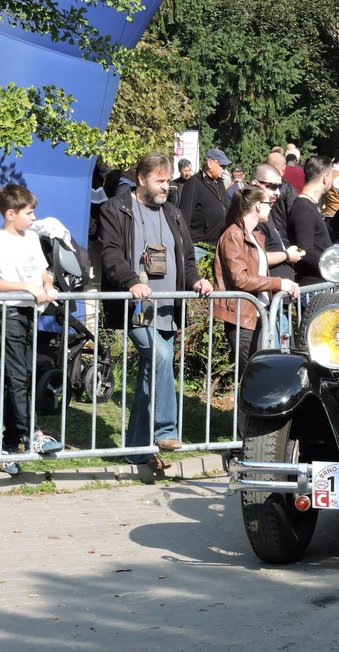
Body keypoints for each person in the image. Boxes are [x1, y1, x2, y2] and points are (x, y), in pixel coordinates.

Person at [98, 153, 214, 470]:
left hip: (169, 308)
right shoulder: (116, 209)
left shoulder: (173, 214)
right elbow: (110, 255)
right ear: (142, 179)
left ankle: (137, 451)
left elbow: (186, 259)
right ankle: (166, 430)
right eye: (160, 181)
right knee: (160, 358)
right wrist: (132, 280)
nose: (166, 186)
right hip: (137, 308)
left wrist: (197, 281)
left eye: (167, 180)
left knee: (151, 377)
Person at [214, 184, 301, 438]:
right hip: (242, 318)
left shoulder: (254, 235)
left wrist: (281, 290)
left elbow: (256, 274)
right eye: (268, 203)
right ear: (257, 206)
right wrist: (279, 283)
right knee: (249, 383)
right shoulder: (233, 235)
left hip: (258, 315)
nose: (272, 205)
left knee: (257, 381)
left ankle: (252, 442)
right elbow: (241, 279)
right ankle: (242, 443)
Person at [0, 185, 64, 476]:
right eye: (29, 212)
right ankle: (32, 434)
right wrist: (25, 287)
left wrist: (47, 284)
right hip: (9, 312)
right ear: (10, 214)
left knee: (22, 376)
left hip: (28, 314)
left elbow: (42, 270)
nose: (33, 216)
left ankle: (9, 446)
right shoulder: (1, 241)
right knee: (14, 378)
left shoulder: (32, 239)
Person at [289, 156, 335, 286]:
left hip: (320, 283)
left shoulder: (309, 206)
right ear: (326, 177)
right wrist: (334, 268)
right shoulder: (303, 208)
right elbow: (306, 251)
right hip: (313, 286)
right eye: (331, 176)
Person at [178, 148, 232, 247]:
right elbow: (184, 217)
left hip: (220, 242)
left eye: (225, 167)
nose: (224, 169)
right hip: (200, 245)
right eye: (222, 166)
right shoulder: (193, 183)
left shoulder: (219, 183)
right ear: (210, 163)